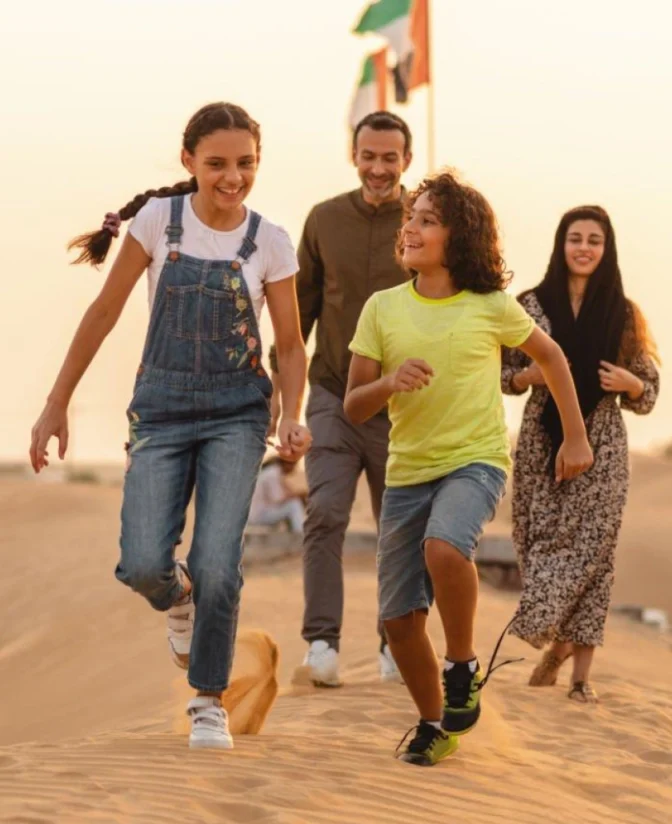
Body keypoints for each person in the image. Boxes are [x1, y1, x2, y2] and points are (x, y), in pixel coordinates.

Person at [29, 102, 311, 750]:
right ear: (189, 161)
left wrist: (293, 414)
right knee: (142, 564)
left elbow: (292, 346)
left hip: (238, 413)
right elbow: (103, 313)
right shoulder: (160, 221)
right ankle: (178, 598)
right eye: (217, 164)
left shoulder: (270, 241)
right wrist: (56, 403)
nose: (232, 177)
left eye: (245, 163)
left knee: (218, 560)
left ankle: (208, 700)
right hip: (161, 408)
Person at [344, 171, 594, 766]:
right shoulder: (382, 309)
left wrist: (575, 437)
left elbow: (551, 357)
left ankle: (461, 664)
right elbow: (353, 405)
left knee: (445, 548)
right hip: (407, 472)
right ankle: (437, 723)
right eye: (410, 217)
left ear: (460, 238)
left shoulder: (490, 306)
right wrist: (389, 381)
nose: (411, 228)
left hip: (475, 461)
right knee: (399, 622)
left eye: (428, 220)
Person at [271, 111, 412, 688]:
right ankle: (322, 645)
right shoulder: (324, 220)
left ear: (406, 160)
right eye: (368, 156)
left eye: (389, 158)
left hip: (404, 406)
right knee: (325, 513)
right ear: (354, 156)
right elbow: (298, 315)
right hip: (333, 393)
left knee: (398, 526)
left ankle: (394, 645)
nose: (378, 168)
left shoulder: (427, 221)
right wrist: (283, 398)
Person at [502, 205, 659, 702]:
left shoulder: (624, 313)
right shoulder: (529, 305)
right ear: (561, 244)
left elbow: (648, 393)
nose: (585, 248)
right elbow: (500, 374)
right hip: (540, 441)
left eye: (595, 240)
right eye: (576, 239)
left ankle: (579, 678)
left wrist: (632, 383)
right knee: (535, 540)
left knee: (595, 555)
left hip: (604, 442)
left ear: (606, 249)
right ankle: (560, 641)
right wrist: (525, 376)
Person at [248, 456, 306, 534]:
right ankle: (300, 534)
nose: (295, 468)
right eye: (294, 465)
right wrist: (297, 495)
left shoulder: (273, 471)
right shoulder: (272, 473)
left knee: (293, 503)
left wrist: (294, 494)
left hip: (259, 513)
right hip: (258, 515)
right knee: (294, 504)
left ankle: (297, 532)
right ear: (286, 464)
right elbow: (277, 499)